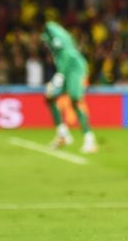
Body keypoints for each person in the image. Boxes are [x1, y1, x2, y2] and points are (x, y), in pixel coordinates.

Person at [41, 20, 98, 154]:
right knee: (50, 97)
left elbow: (69, 57)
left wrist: (59, 76)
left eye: (46, 40)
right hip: (66, 71)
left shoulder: (61, 44)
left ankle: (90, 140)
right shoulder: (58, 46)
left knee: (75, 100)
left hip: (75, 70)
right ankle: (63, 134)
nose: (45, 43)